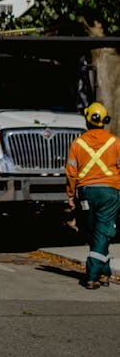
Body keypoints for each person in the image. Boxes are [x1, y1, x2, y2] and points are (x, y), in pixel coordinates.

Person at [66, 101, 120, 289]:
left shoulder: (78, 143)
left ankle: (100, 274)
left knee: (94, 232)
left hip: (86, 193)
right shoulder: (115, 142)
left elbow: (71, 172)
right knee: (102, 231)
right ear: (105, 121)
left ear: (87, 120)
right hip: (110, 193)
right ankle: (93, 276)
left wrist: (71, 195)